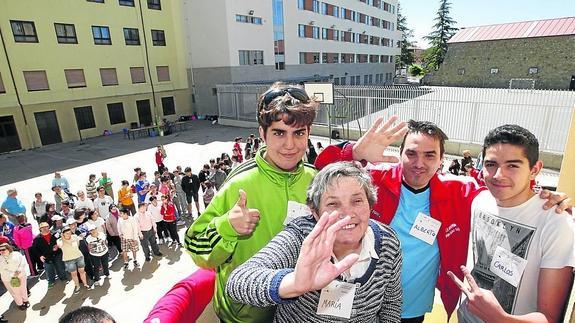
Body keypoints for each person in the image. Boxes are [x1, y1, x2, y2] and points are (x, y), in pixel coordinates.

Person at [314, 117, 572, 322]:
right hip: (362, 300)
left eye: (430, 155)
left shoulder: (461, 192)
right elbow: (322, 175)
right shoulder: (374, 180)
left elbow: (506, 193)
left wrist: (547, 198)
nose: (419, 163)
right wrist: (355, 151)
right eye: (412, 154)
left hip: (413, 306)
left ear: (441, 160)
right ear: (400, 153)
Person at [186, 82, 319, 322]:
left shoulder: (315, 180)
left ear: (309, 133)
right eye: (279, 132)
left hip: (299, 312)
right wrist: (227, 227)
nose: (290, 145)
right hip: (245, 316)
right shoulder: (239, 183)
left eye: (298, 133)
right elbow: (195, 247)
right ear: (262, 134)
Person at [227, 162, 402, 322]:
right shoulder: (302, 237)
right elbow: (237, 282)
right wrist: (294, 284)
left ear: (370, 204)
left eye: (357, 201)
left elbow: (391, 304)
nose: (347, 213)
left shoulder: (388, 242)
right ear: (315, 213)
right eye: (333, 204)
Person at [449, 124, 575, 323]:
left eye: (513, 165)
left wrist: (501, 318)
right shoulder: (480, 200)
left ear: (535, 169)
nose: (499, 175)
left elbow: (549, 318)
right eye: (491, 164)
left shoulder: (556, 223)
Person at [33, 222, 68, 289]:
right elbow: (35, 249)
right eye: (42, 227)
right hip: (47, 257)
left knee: (60, 267)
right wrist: (40, 256)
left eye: (46, 226)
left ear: (49, 227)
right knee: (49, 270)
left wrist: (58, 245)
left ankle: (63, 278)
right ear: (40, 229)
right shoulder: (37, 239)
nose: (45, 229)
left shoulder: (55, 233)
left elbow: (61, 240)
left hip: (57, 254)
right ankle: (51, 281)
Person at [58, 226, 90, 294]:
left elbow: (78, 244)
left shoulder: (75, 237)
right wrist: (63, 238)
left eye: (70, 233)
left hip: (79, 257)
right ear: (63, 234)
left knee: (82, 271)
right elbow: (60, 246)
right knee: (74, 274)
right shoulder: (60, 240)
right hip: (69, 260)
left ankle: (85, 284)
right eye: (67, 233)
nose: (69, 234)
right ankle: (77, 286)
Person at [0, 242, 29, 310]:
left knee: (23, 289)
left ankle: (25, 300)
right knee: (15, 292)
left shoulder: (16, 254)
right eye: (0, 250)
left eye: (3, 249)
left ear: (8, 248)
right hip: (8, 278)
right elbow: (2, 269)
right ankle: (20, 304)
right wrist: (13, 274)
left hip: (21, 275)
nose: (1, 251)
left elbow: (23, 262)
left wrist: (19, 269)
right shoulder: (0, 258)